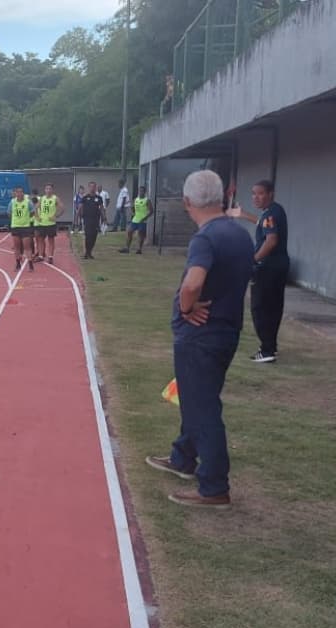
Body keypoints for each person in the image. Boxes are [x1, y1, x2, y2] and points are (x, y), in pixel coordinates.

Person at [145, 170, 254, 509]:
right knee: (196, 399)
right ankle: (182, 457)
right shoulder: (240, 234)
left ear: (187, 202)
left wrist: (186, 306)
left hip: (201, 335)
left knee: (202, 407)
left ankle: (214, 486)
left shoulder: (205, 238)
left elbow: (193, 283)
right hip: (227, 330)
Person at [227, 180, 289, 363]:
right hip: (278, 266)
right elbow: (263, 224)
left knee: (260, 308)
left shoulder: (271, 213)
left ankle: (267, 349)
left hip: (268, 268)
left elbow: (271, 240)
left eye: (260, 193)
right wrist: (244, 214)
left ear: (271, 194)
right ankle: (270, 346)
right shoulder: (274, 211)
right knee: (273, 307)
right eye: (253, 193)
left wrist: (252, 260)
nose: (256, 197)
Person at [9, 186, 36, 271]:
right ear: (15, 193)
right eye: (18, 192)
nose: (20, 194)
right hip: (15, 226)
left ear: (23, 193)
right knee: (17, 247)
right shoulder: (12, 202)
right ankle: (18, 264)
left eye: (21, 192)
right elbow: (9, 213)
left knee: (27, 247)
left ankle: (30, 264)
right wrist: (15, 220)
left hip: (25, 227)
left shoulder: (28, 202)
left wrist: (26, 219)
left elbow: (32, 212)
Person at [35, 183, 63, 264]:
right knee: (40, 240)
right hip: (42, 223)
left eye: (50, 189)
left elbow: (62, 208)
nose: (48, 190)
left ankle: (50, 257)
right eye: (46, 189)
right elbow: (36, 208)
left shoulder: (55, 198)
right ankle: (40, 256)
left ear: (52, 190)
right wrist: (37, 217)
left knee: (51, 240)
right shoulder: (42, 198)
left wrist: (56, 216)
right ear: (45, 190)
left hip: (51, 224)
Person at [119, 185, 151, 254]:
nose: (140, 192)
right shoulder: (136, 199)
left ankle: (139, 249)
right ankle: (127, 248)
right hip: (135, 219)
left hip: (142, 220)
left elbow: (151, 211)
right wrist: (133, 210)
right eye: (139, 191)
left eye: (142, 191)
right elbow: (134, 208)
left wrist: (145, 218)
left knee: (140, 234)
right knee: (129, 232)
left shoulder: (147, 200)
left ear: (144, 192)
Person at [79, 182, 104, 259]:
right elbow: (80, 207)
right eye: (91, 187)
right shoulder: (85, 197)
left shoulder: (99, 198)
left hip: (96, 219)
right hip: (87, 219)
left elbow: (102, 208)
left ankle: (90, 252)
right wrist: (79, 217)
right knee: (88, 235)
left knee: (94, 236)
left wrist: (104, 217)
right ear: (89, 187)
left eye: (94, 187)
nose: (92, 188)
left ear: (95, 188)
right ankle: (86, 252)